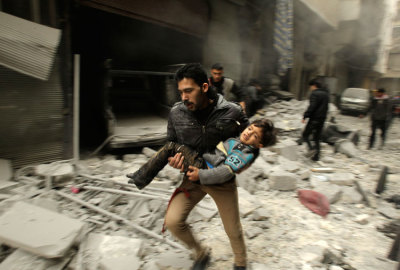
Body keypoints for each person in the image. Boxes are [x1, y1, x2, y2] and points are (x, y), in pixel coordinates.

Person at [155, 63, 249, 270]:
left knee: (233, 230)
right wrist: (174, 158)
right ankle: (201, 253)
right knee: (172, 222)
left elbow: (247, 143)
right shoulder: (177, 113)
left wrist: (235, 163)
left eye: (189, 91)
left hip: (220, 179)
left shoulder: (232, 111)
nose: (184, 97)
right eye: (181, 92)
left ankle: (241, 264)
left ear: (205, 87)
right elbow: (171, 143)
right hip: (192, 178)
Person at [126, 118, 277, 190]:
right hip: (202, 159)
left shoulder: (245, 154)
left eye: (255, 136)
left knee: (171, 147)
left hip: (204, 167)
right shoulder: (236, 139)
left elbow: (225, 172)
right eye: (250, 129)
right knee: (174, 146)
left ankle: (140, 178)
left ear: (259, 145)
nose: (249, 133)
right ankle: (140, 176)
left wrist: (201, 175)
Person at [300, 77, 329, 161]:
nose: (310, 88)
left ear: (314, 86)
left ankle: (311, 149)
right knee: (317, 137)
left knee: (305, 135)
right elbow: (326, 107)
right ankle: (316, 157)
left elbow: (312, 106)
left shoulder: (315, 94)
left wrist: (305, 116)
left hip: (314, 118)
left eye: (311, 86)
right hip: (322, 119)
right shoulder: (326, 94)